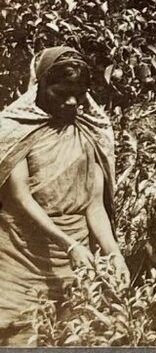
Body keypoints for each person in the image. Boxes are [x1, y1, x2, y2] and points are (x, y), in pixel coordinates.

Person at [0, 47, 122, 344]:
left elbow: (93, 203)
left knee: (72, 334)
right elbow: (20, 198)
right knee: (18, 336)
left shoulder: (88, 132)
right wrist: (68, 246)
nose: (72, 102)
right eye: (62, 92)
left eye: (79, 93)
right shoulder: (12, 130)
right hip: (19, 256)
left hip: (74, 260)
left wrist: (113, 252)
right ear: (40, 85)